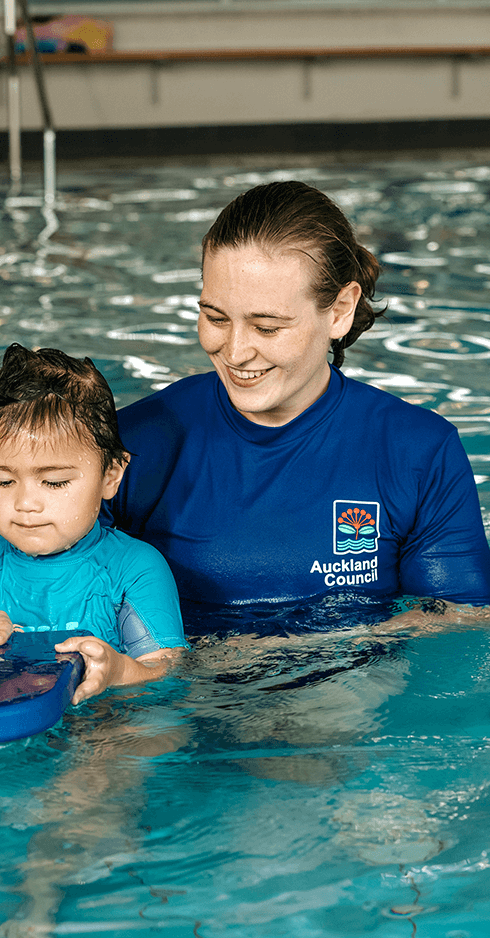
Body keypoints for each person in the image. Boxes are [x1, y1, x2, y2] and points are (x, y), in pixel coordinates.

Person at [100, 180, 490, 626]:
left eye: (267, 327)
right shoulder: (134, 443)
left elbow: (458, 625)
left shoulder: (418, 452)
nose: (235, 351)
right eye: (215, 317)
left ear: (341, 310)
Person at [0, 344, 186, 703]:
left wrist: (119, 671)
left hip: (105, 723)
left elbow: (169, 672)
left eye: (55, 482)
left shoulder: (133, 569)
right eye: (2, 480)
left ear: (111, 474)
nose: (25, 503)